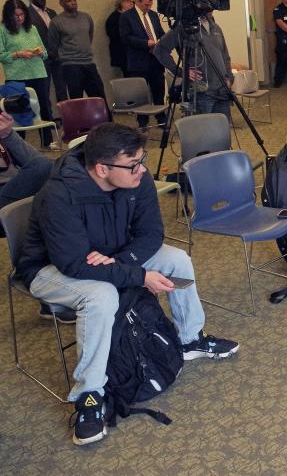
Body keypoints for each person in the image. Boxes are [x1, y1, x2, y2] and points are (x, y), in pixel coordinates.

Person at [13, 122, 239, 446]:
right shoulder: (59, 195)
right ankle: (89, 396)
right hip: (49, 269)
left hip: (112, 255)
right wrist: (137, 276)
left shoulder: (137, 178)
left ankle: (190, 338)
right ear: (103, 168)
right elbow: (74, 264)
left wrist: (122, 262)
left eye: (141, 159)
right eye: (133, 163)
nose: (142, 169)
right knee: (102, 296)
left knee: (177, 260)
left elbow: (151, 234)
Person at [153, 13, 234, 120]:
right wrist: (183, 72)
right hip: (202, 92)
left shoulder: (216, 28)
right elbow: (160, 50)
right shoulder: (184, 27)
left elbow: (225, 55)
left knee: (222, 132)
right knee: (203, 133)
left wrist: (229, 77)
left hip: (223, 90)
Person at [0, 0, 55, 147]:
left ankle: (47, 142)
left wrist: (39, 53)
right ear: (8, 15)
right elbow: (1, 55)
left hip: (38, 72)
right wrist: (18, 54)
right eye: (15, 15)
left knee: (43, 108)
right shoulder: (2, 30)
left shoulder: (32, 29)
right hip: (16, 76)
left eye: (22, 14)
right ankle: (18, 146)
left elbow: (45, 53)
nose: (19, 18)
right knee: (18, 112)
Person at [46, 0, 107, 101]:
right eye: (68, 1)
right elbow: (53, 45)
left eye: (74, 0)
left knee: (99, 97)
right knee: (76, 99)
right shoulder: (56, 22)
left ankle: (105, 118)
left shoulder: (86, 17)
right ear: (61, 3)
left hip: (88, 63)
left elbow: (89, 36)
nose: (73, 3)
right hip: (70, 65)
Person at [119, 0, 167, 129]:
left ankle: (160, 118)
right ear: (138, 2)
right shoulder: (127, 16)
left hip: (155, 59)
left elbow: (159, 32)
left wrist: (163, 41)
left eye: (150, 5)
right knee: (140, 93)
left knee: (159, 89)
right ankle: (142, 120)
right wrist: (145, 43)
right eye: (146, 5)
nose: (148, 8)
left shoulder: (153, 15)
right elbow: (125, 37)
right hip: (138, 60)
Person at [28, 0, 67, 102]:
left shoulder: (52, 12)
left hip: (56, 55)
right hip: (41, 58)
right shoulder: (27, 13)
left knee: (62, 88)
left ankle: (65, 115)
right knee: (44, 89)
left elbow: (58, 33)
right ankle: (47, 118)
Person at [105, 0, 134, 76]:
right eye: (129, 1)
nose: (131, 3)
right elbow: (112, 34)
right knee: (129, 76)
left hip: (132, 53)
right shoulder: (114, 17)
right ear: (121, 2)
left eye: (133, 2)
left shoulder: (131, 16)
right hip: (122, 52)